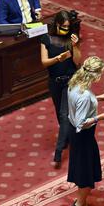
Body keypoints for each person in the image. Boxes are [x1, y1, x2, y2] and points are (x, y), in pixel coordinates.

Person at [67, 56, 104, 206]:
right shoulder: (85, 96)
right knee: (86, 174)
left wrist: (98, 98)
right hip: (83, 137)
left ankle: (82, 203)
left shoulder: (75, 82)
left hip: (74, 133)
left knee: (84, 170)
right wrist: (100, 117)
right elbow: (81, 123)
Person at [40, 10, 82, 169]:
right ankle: (68, 137)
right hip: (54, 82)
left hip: (70, 81)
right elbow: (44, 62)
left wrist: (76, 46)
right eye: (63, 26)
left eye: (68, 26)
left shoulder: (71, 39)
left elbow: (78, 62)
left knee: (65, 114)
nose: (66, 29)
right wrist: (58, 58)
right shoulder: (46, 39)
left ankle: (58, 151)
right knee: (60, 113)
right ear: (57, 24)